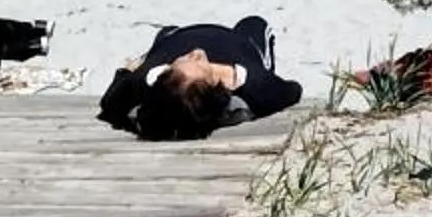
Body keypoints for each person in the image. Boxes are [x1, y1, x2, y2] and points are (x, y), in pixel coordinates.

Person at [98, 17, 302, 141]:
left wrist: (127, 71)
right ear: (218, 89)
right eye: (201, 62)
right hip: (240, 41)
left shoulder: (145, 80)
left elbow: (110, 102)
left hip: (175, 36)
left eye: (184, 59)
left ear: (166, 71)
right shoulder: (253, 83)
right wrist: (259, 89)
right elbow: (292, 91)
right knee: (254, 23)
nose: (195, 52)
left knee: (166, 32)